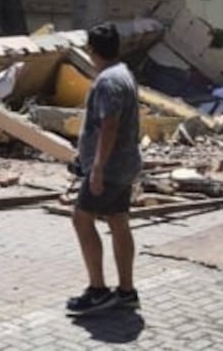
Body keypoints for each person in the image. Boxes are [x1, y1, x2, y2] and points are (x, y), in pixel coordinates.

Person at [66, 22, 142, 316]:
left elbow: (109, 125)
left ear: (92, 50)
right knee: (118, 220)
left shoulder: (108, 81)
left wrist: (96, 168)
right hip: (124, 164)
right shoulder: (124, 74)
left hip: (110, 168)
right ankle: (126, 291)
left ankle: (98, 290)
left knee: (81, 219)